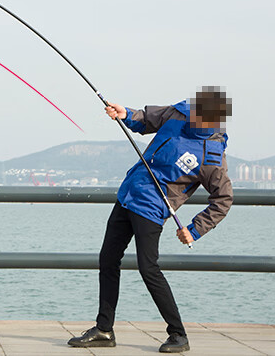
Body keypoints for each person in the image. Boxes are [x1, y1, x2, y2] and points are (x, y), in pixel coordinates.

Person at [68, 86, 233, 353]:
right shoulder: (180, 112)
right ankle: (104, 329)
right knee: (108, 259)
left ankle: (178, 334)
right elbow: (147, 119)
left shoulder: (211, 156)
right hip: (128, 194)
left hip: (152, 208)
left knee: (148, 268)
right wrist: (126, 114)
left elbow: (223, 199)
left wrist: (195, 229)